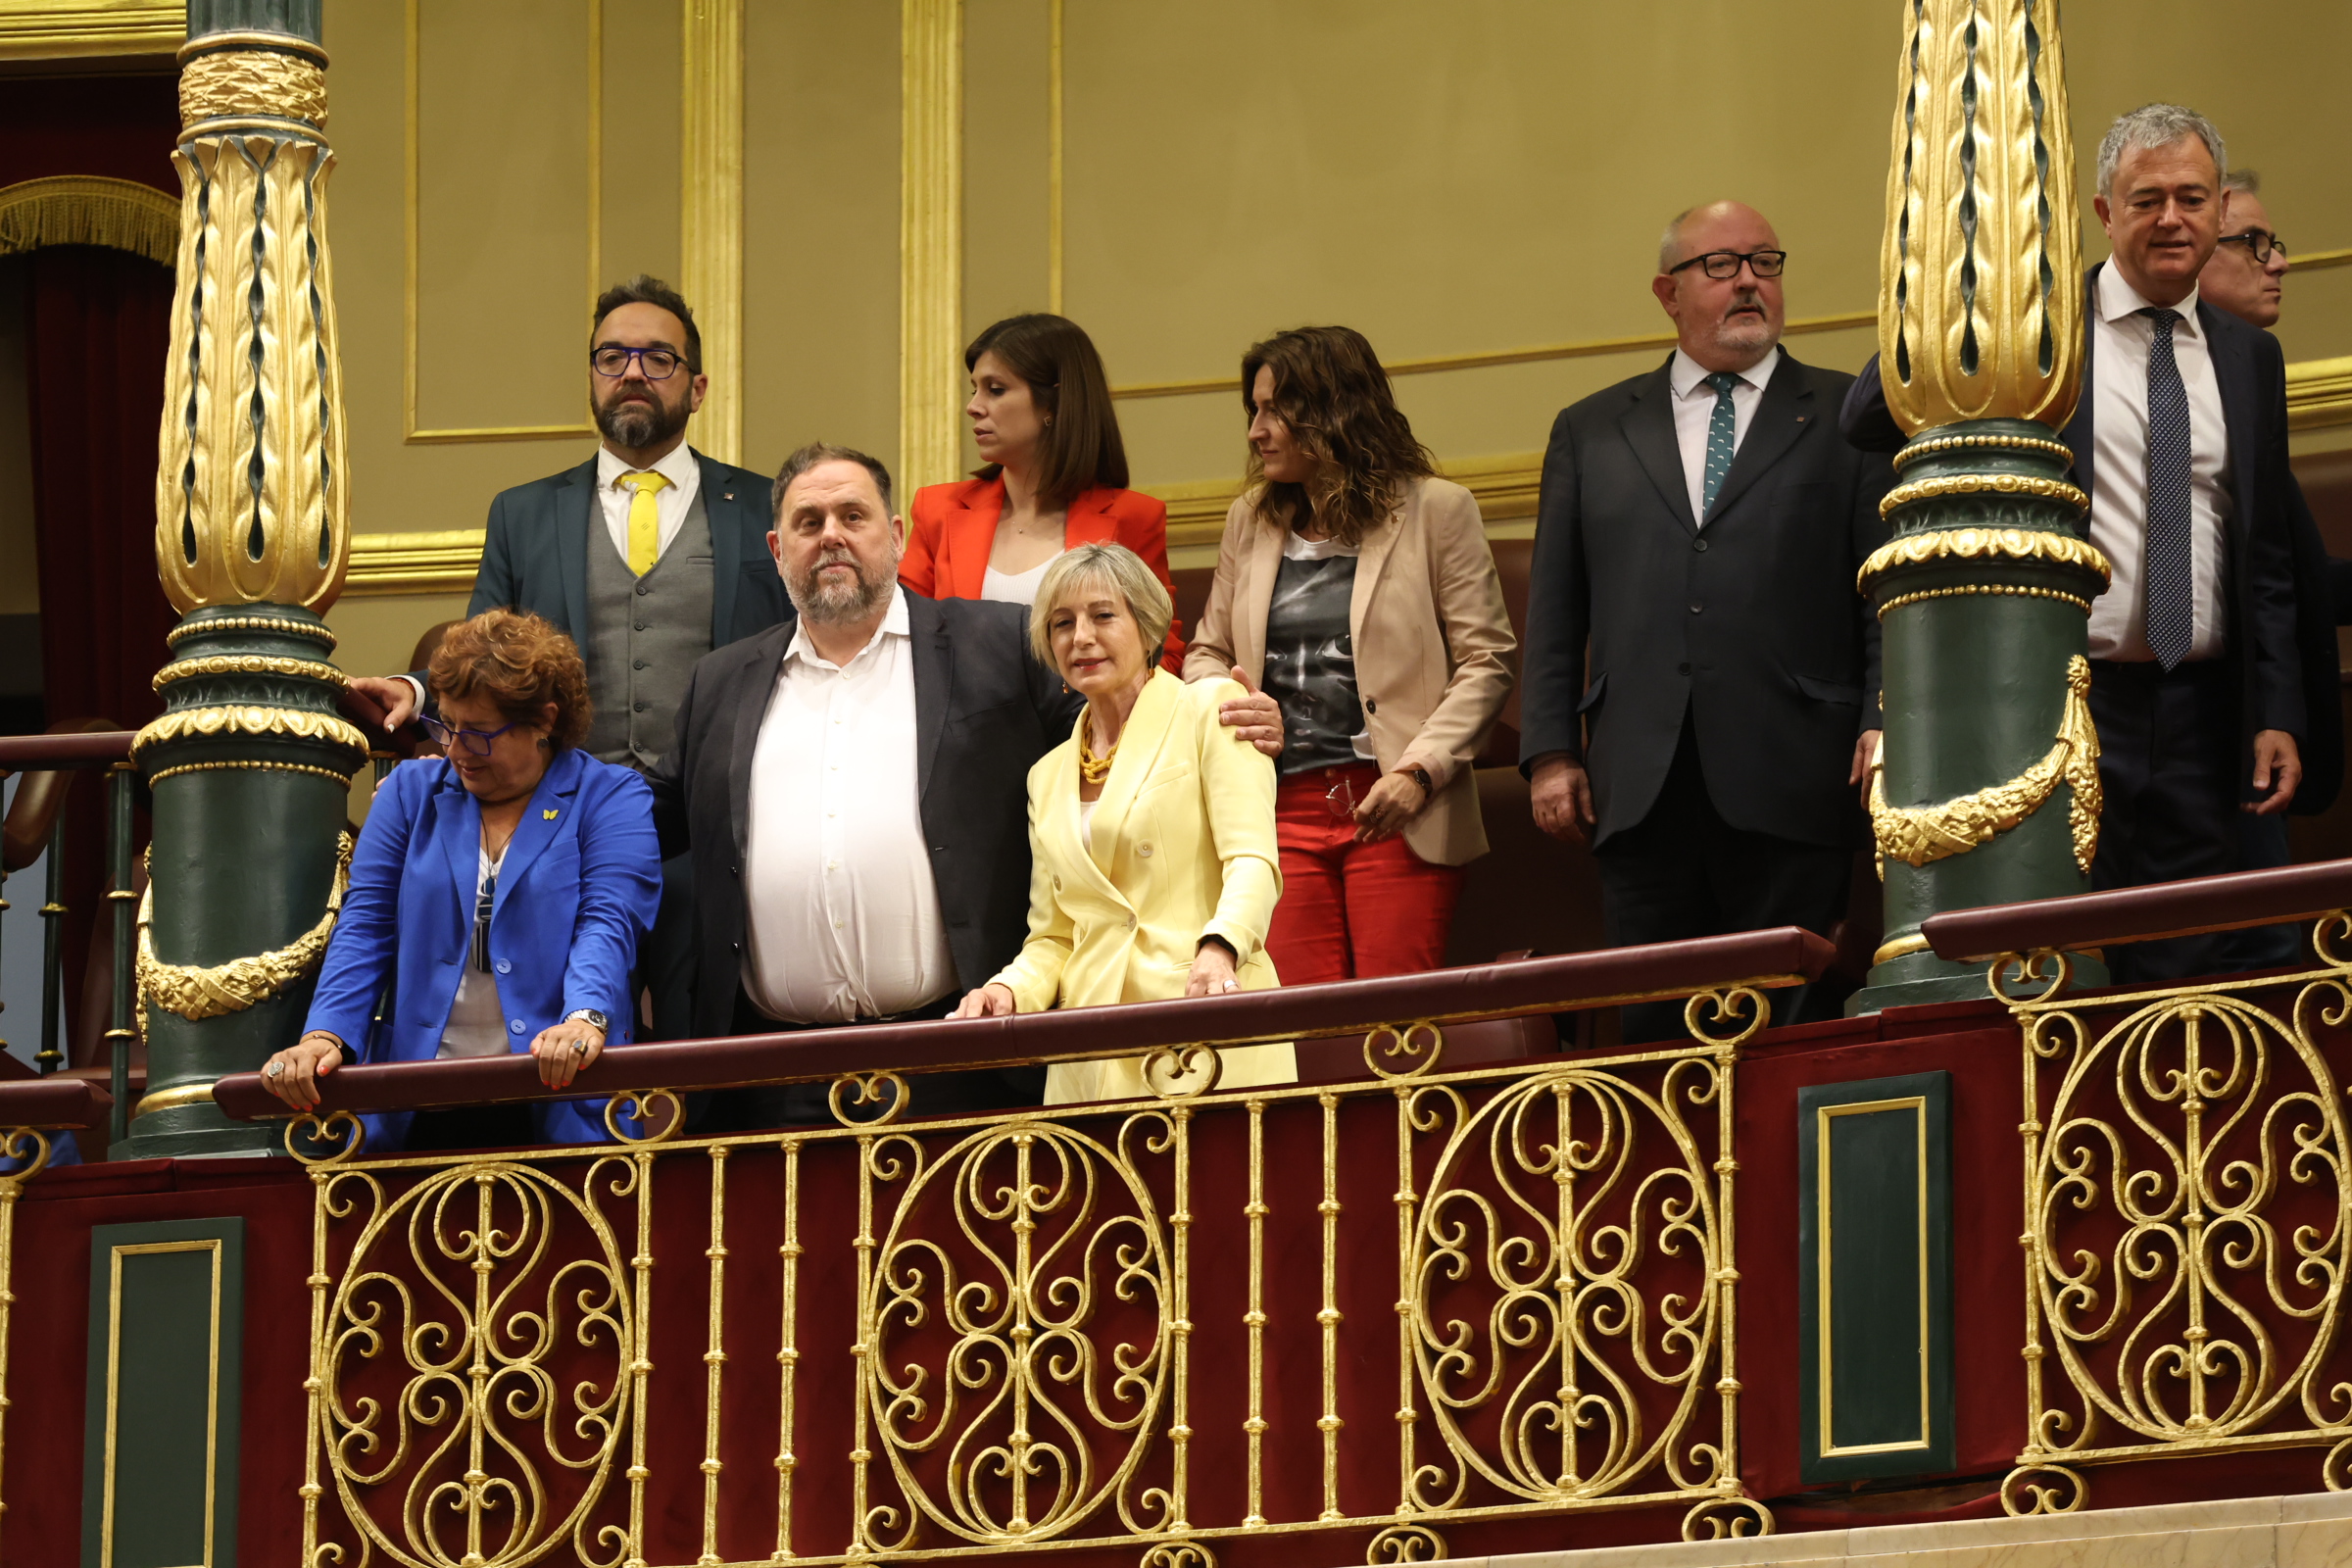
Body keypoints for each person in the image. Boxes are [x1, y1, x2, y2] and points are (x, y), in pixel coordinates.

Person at [645, 446, 1284, 1128]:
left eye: (852, 515)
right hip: (773, 1074)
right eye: (809, 521)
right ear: (777, 548)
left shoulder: (998, 645)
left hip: (962, 1057)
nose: (830, 533)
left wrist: (1223, 714)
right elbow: (647, 820)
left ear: (894, 536)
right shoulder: (720, 682)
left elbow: (1126, 726)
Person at [1843, 106, 2316, 984]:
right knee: (2067, 959)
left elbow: (2269, 566)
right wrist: (1972, 290)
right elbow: (1865, 415)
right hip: (2064, 707)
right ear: (2103, 213)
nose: (2170, 219)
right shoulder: (2044, 331)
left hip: (2205, 708)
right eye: (2147, 200)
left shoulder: (2251, 358)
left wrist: (2276, 708)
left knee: (2192, 967)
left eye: (2191, 199)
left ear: (2220, 214)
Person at [349, 275, 786, 1040]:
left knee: (702, 1042)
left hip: (717, 827)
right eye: (612, 356)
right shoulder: (525, 511)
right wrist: (418, 692)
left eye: (658, 358)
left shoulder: (762, 506)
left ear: (698, 384)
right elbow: (483, 644)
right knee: (568, 1038)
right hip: (563, 825)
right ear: (591, 375)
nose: (632, 373)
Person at [1521, 200, 1893, 1040]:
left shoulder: (1851, 418)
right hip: (1641, 782)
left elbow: (1884, 591)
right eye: (1722, 267)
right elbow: (1556, 607)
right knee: (1654, 1032)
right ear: (1668, 292)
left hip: (1797, 769)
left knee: (1787, 1027)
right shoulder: (1591, 430)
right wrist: (1549, 753)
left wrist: (1883, 716)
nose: (1750, 282)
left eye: (1766, 261)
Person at [1183, 325, 1515, 984]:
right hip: (1277, 811)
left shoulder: (1436, 510)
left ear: (1338, 409)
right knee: (1306, 1030)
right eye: (1253, 410)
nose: (1256, 430)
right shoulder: (1249, 519)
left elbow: (1488, 660)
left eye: (1275, 409)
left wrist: (1419, 772)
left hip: (1397, 803)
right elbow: (1206, 653)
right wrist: (1236, 704)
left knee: (1395, 1027)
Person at [261, 611, 662, 1152]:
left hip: (557, 1095)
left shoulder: (611, 796)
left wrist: (583, 1018)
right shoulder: (409, 792)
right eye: (446, 726)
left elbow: (608, 923)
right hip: (418, 1098)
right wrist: (324, 1034)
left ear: (544, 720)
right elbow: (366, 926)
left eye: (478, 733)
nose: (454, 749)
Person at [953, 544, 1290, 1104]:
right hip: (1091, 1050)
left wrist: (1221, 948)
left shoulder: (1211, 707)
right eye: (1062, 623)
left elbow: (1252, 861)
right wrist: (1008, 990)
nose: (1080, 636)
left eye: (1103, 615)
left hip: (1203, 1014)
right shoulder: (1046, 774)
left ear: (1148, 625)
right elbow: (1056, 936)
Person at [2199, 169, 2343, 967]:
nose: (2277, 260)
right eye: (2251, 243)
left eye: (2273, 243)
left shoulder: (2251, 377)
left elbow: (2288, 577)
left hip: (2256, 736)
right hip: (2178, 729)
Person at [900, 313, 1185, 666]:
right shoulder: (936, 510)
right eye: (975, 389)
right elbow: (902, 641)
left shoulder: (1134, 518)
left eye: (996, 389)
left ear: (1052, 401)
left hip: (1085, 719)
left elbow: (1161, 655)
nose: (973, 407)